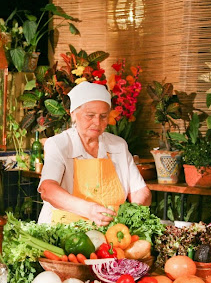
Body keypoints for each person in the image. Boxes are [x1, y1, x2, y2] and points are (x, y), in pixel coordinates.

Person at [38, 81, 151, 226]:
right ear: (73, 115)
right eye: (90, 115)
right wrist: (88, 209)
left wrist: (133, 213)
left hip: (109, 232)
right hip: (63, 229)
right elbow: (48, 190)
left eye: (103, 116)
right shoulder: (59, 144)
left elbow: (140, 191)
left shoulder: (118, 145)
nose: (97, 122)